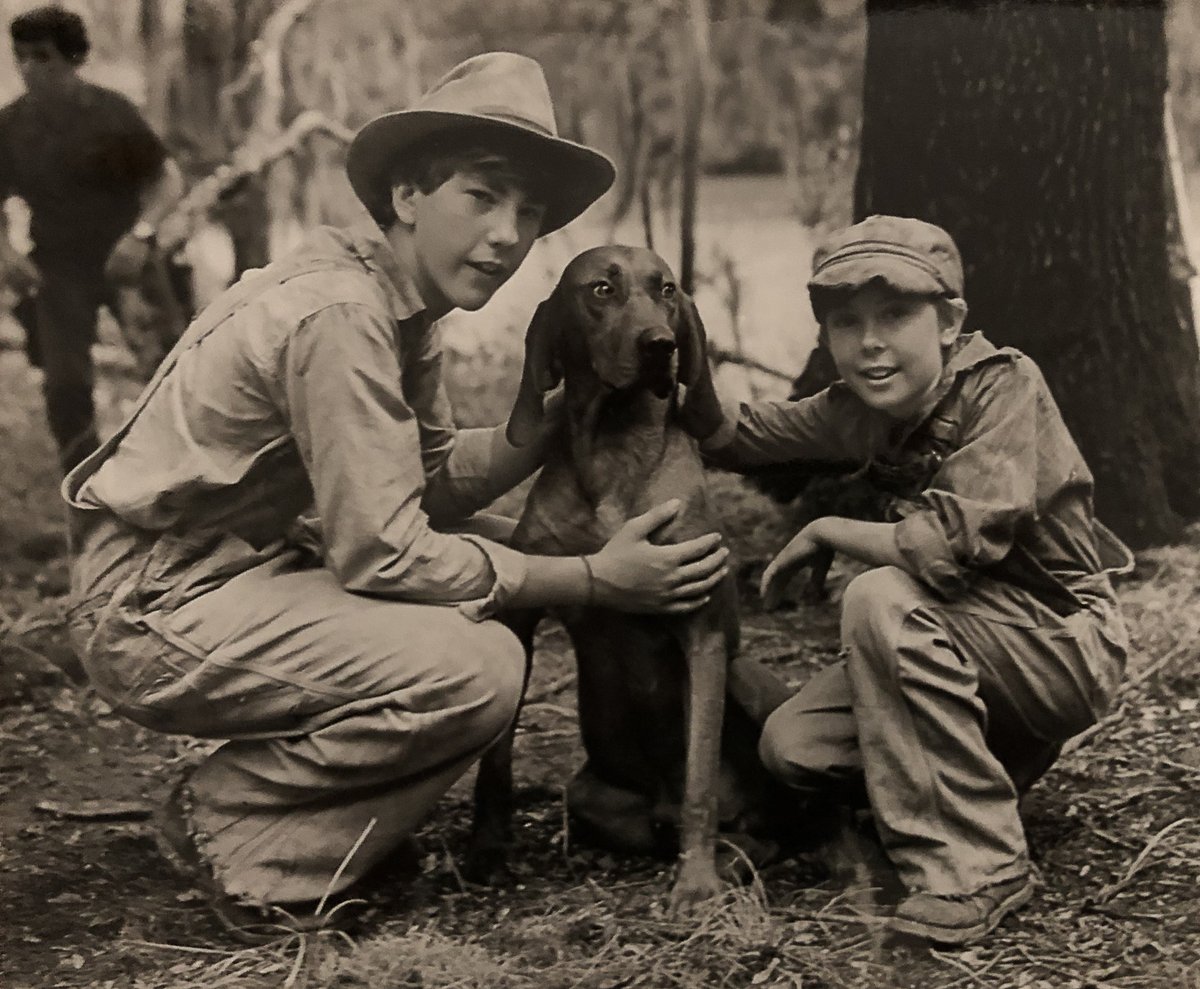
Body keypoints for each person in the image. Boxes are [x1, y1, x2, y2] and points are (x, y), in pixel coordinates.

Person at [62, 51, 730, 942]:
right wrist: (596, 581)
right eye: (481, 197)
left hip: (227, 575)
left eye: (528, 213)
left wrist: (556, 413)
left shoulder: (395, 309)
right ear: (409, 195)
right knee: (479, 662)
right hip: (152, 605)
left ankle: (313, 827)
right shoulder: (341, 316)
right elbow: (382, 550)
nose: (506, 234)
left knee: (485, 583)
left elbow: (422, 482)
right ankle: (241, 829)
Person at [693, 215, 1130, 946]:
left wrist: (826, 529)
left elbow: (946, 546)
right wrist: (650, 372)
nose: (869, 342)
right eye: (846, 322)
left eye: (896, 315)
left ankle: (980, 867)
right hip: (967, 635)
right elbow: (741, 435)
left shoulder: (1002, 384)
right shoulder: (859, 409)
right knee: (794, 744)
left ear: (951, 319)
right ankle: (978, 772)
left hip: (1063, 642)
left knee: (878, 597)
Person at [0, 4, 184, 472]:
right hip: (58, 268)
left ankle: (182, 480)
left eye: (43, 57)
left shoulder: (111, 114)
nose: (29, 69)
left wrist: (141, 236)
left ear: (74, 59)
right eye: (20, 56)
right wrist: (6, 253)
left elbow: (166, 181)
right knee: (64, 386)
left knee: (173, 372)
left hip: (127, 261)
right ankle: (86, 495)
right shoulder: (10, 126)